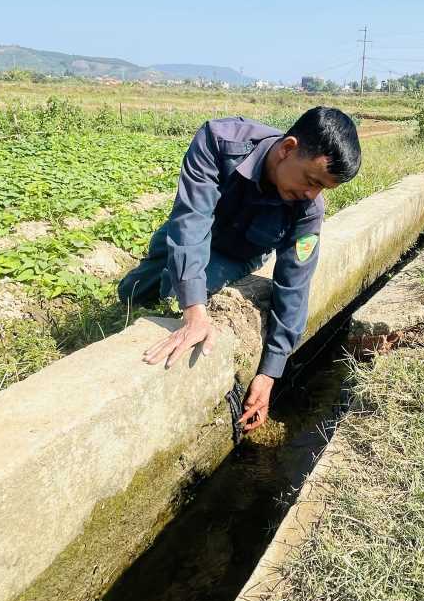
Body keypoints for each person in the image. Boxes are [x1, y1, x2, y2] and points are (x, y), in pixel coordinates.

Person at [118, 106, 361, 433]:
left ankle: (174, 292)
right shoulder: (219, 141)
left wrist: (270, 372)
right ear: (288, 149)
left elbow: (294, 284)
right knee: (131, 292)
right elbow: (191, 221)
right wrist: (195, 315)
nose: (311, 194)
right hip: (194, 231)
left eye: (322, 189)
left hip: (237, 253)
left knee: (176, 292)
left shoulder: (308, 209)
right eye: (311, 181)